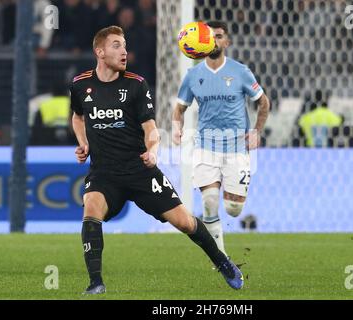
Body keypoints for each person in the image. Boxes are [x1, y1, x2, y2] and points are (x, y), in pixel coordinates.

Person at [69, 26, 243, 295]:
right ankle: (96, 283)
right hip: (104, 172)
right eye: (116, 45)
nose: (124, 51)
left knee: (185, 222)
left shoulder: (136, 85)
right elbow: (78, 117)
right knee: (91, 208)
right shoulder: (80, 85)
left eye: (125, 45)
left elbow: (151, 129)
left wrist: (153, 151)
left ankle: (223, 262)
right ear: (99, 52)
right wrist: (83, 142)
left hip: (141, 170)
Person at [172, 21, 270, 257]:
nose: (215, 40)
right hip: (206, 146)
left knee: (234, 209)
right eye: (210, 36)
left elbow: (263, 102)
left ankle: (228, 213)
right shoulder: (193, 75)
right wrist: (177, 128)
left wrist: (256, 130)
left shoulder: (240, 71)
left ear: (227, 42)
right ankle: (220, 258)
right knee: (210, 200)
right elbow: (179, 108)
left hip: (237, 147)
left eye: (219, 36)